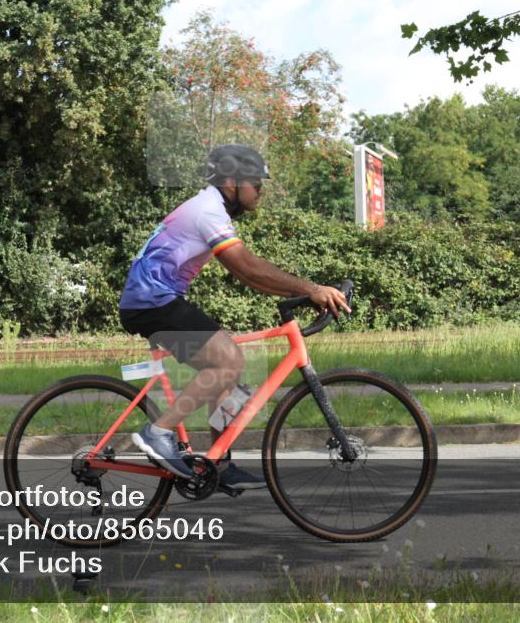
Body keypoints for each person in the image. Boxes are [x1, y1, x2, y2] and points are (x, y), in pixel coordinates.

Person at [118, 144, 351, 491]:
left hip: (156, 299)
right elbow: (247, 268)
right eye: (256, 182)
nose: (260, 189)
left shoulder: (211, 209)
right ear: (231, 181)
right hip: (151, 301)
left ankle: (218, 462)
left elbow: (251, 274)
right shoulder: (207, 211)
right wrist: (311, 289)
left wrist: (301, 292)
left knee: (229, 368)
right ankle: (158, 432)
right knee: (227, 359)